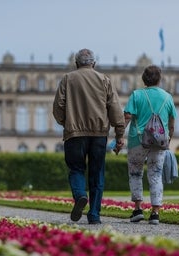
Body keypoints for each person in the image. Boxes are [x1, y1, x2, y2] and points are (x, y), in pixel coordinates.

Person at [53, 48, 125, 224]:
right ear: (94, 63)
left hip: (74, 134)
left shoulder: (68, 79)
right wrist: (119, 135)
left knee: (76, 169)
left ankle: (79, 196)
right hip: (98, 134)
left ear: (76, 63)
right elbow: (115, 109)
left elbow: (58, 107)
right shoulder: (104, 80)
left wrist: (67, 123)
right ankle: (94, 214)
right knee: (97, 173)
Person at [124, 65, 177, 225]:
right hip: (159, 142)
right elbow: (172, 123)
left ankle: (138, 209)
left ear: (143, 79)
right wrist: (168, 140)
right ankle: (155, 213)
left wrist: (119, 136)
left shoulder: (136, 95)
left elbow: (126, 117)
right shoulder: (167, 97)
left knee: (135, 174)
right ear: (159, 79)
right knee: (155, 175)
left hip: (137, 141)